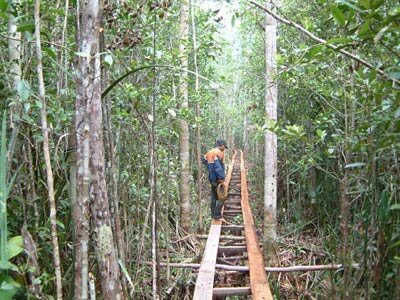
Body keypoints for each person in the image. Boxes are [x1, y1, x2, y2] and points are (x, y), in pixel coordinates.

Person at [203, 139, 228, 221]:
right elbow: (218, 167)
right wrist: (221, 178)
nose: (224, 149)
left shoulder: (209, 152)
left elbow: (204, 160)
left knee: (214, 196)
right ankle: (217, 215)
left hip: (212, 178)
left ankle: (213, 214)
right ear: (222, 145)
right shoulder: (218, 153)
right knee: (222, 197)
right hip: (217, 179)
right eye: (224, 147)